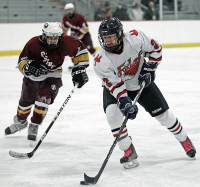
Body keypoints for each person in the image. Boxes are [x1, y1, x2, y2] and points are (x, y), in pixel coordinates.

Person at [93, 17, 196, 169]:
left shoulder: (135, 37)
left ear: (120, 34)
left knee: (164, 116)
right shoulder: (100, 60)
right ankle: (128, 150)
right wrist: (125, 102)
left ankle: (183, 139)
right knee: (112, 115)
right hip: (118, 87)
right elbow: (114, 85)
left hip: (140, 82)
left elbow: (156, 49)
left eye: (111, 37)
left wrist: (150, 67)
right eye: (105, 38)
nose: (107, 41)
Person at [4, 22, 89, 141]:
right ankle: (20, 122)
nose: (53, 41)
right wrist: (28, 66)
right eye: (50, 38)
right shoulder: (33, 43)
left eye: (55, 38)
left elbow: (81, 51)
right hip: (32, 78)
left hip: (53, 76)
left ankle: (34, 125)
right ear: (44, 36)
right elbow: (21, 61)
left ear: (60, 37)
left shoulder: (67, 42)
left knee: (43, 98)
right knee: (25, 103)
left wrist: (80, 68)